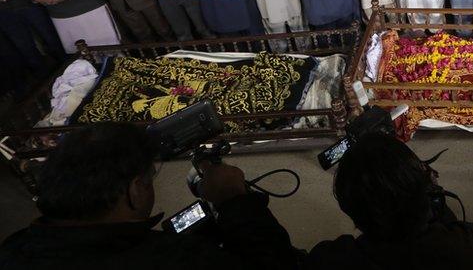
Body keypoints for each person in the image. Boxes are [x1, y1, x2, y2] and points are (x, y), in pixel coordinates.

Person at [0, 123, 297, 270]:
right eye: (149, 179)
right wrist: (236, 201)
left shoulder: (14, 248)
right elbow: (278, 265)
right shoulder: (177, 258)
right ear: (135, 190)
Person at [302, 134, 473, 270]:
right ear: (426, 187)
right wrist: (435, 196)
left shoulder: (330, 261)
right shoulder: (471, 247)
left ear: (350, 210)